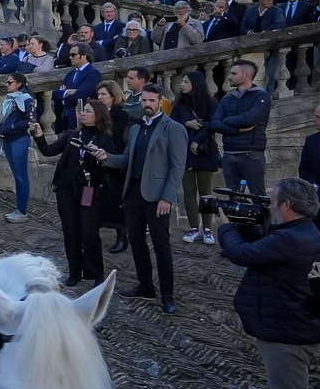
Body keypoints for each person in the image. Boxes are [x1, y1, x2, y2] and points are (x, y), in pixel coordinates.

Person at [216, 178, 320, 389]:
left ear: (286, 205)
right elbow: (263, 248)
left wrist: (226, 228)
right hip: (289, 326)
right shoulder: (304, 230)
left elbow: (242, 254)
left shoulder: (289, 238)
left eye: (273, 200)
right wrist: (243, 222)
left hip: (286, 336)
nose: (269, 205)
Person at [95, 84, 188, 314]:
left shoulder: (172, 128)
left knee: (161, 245)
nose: (147, 104)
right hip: (133, 194)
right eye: (144, 101)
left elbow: (177, 168)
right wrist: (106, 157)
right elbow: (126, 159)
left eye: (151, 101)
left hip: (157, 197)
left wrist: (167, 198)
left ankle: (167, 295)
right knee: (136, 242)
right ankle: (145, 286)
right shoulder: (136, 129)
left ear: (160, 103)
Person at [31, 99, 116, 286]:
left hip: (90, 190)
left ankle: (95, 273)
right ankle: (74, 272)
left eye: (87, 111)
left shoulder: (105, 139)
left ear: (98, 116)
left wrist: (100, 156)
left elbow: (110, 166)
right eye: (82, 110)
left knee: (89, 232)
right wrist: (38, 135)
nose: (82, 114)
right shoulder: (71, 134)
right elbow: (48, 151)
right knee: (70, 231)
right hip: (67, 190)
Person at [173, 68, 222, 244]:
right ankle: (193, 227)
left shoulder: (210, 103)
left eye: (186, 81)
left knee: (205, 191)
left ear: (196, 84)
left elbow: (213, 124)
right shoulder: (180, 104)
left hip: (205, 150)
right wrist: (186, 123)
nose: (182, 85)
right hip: (185, 151)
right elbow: (172, 123)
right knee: (188, 191)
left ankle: (208, 229)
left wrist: (197, 140)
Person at [210, 59, 271, 195]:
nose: (229, 76)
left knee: (258, 196)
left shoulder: (261, 97)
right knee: (232, 197)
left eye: (233, 73)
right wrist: (236, 130)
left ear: (246, 76)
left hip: (251, 154)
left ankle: (262, 217)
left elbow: (250, 119)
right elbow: (214, 124)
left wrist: (226, 120)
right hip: (229, 153)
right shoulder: (227, 99)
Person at [0, 71, 35, 222]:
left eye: (9, 82)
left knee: (21, 176)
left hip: (18, 140)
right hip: (8, 139)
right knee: (17, 176)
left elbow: (31, 120)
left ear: (18, 84)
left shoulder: (26, 98)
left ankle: (22, 211)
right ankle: (19, 209)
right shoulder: (11, 98)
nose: (7, 85)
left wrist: (12, 126)